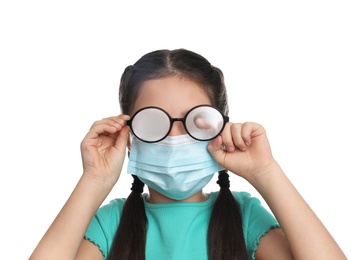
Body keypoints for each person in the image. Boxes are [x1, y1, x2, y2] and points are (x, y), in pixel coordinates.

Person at [29, 49, 347, 260]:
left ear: (220, 127)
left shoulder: (244, 218)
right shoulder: (111, 223)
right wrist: (94, 180)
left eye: (197, 121)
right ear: (127, 133)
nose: (174, 138)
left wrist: (266, 171)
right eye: (153, 122)